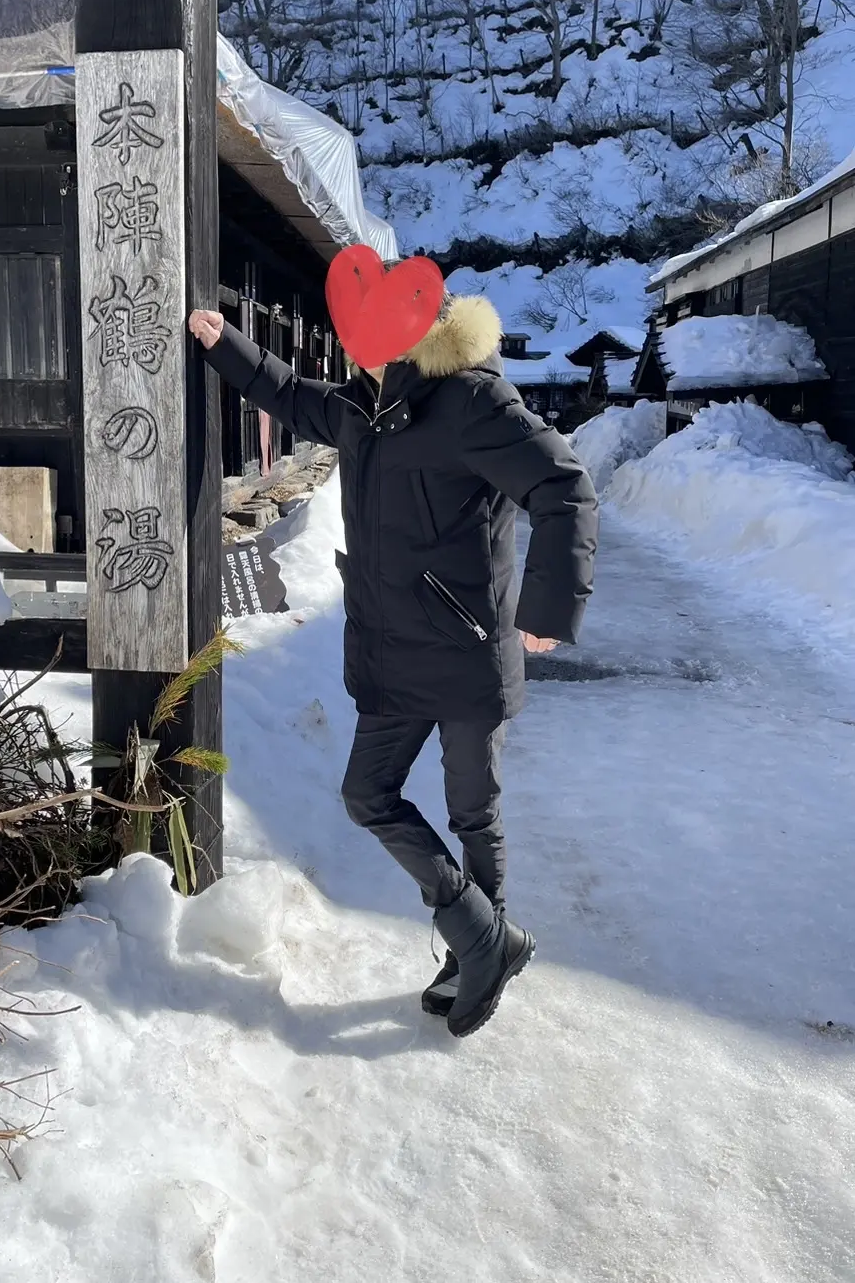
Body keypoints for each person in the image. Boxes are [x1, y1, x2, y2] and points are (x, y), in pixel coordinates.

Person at [189, 291, 598, 1038]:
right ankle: (484, 938)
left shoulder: (472, 402)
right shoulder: (360, 404)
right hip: (391, 652)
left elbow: (564, 484)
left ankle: (474, 952)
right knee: (367, 793)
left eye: (366, 335)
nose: (353, 350)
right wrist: (225, 344)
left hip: (471, 649)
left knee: (474, 809)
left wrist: (545, 610)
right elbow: (287, 392)